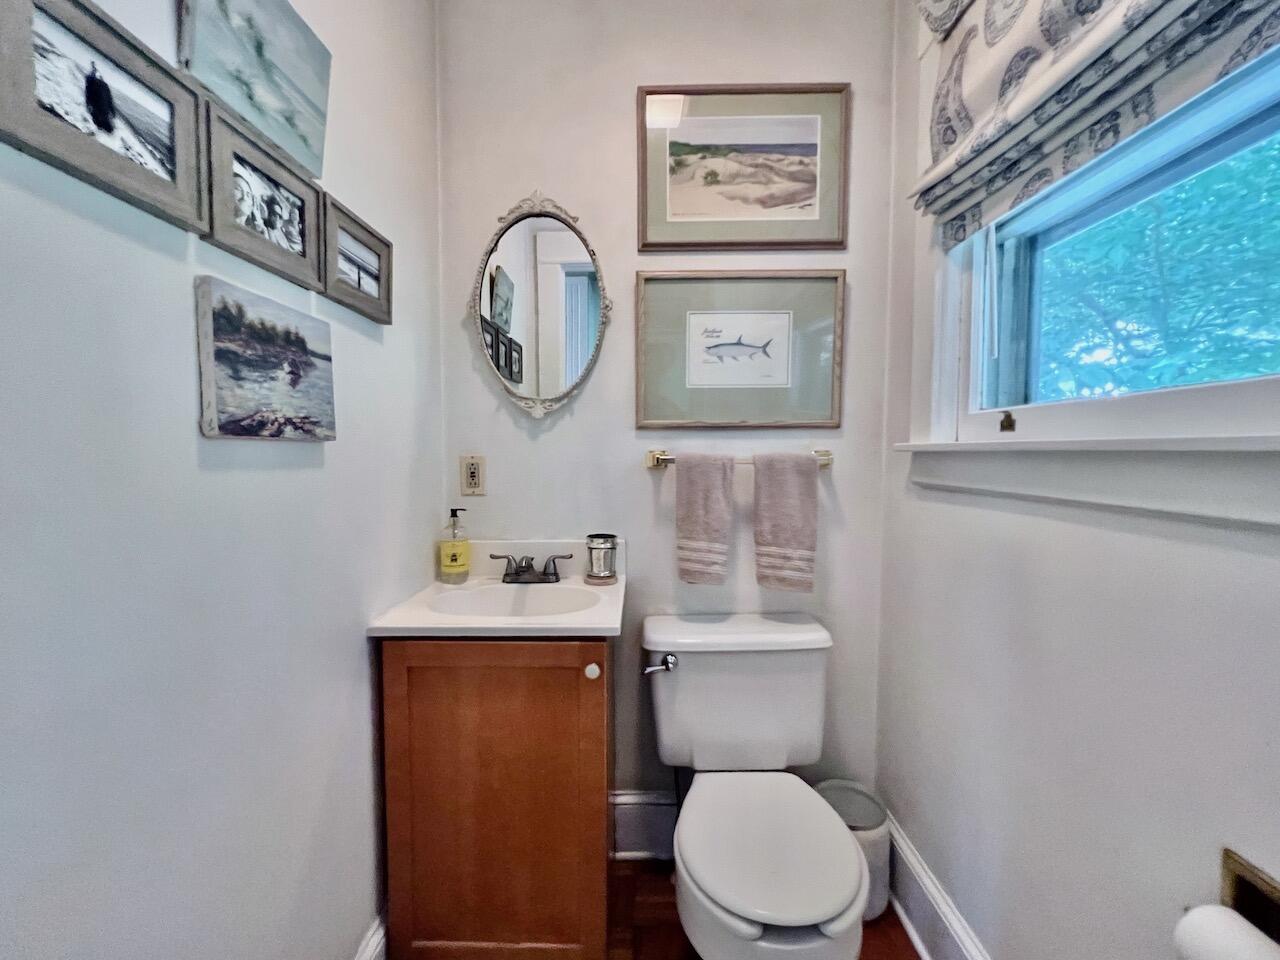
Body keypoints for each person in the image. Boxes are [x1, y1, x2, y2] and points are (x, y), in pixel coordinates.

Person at [84, 61, 116, 134]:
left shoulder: (91, 86)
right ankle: (93, 69)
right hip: (102, 107)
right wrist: (112, 110)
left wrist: (88, 105)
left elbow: (89, 98)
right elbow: (109, 99)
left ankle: (93, 69)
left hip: (100, 107)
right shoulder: (103, 85)